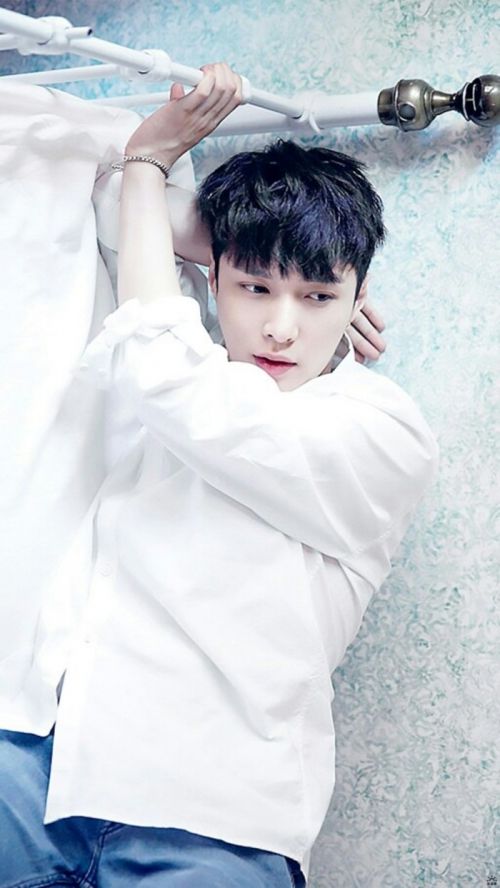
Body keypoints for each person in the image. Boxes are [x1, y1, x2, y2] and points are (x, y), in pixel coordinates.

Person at [0, 63, 439, 886]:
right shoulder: (177, 373)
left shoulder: (379, 431)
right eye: (254, 287)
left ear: (360, 296)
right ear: (213, 277)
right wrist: (261, 248)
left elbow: (160, 367)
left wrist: (148, 163)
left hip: (212, 817)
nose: (280, 327)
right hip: (43, 772)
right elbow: (92, 212)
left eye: (317, 298)